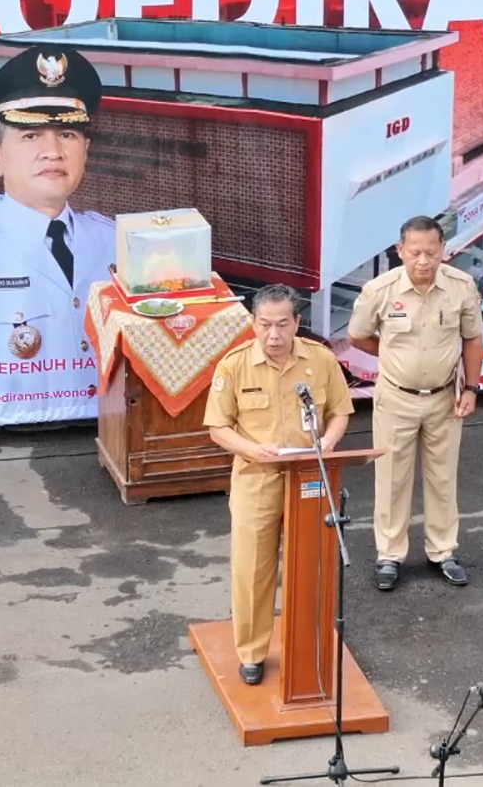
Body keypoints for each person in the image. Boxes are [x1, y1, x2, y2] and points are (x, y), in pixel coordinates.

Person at [0, 46, 115, 426]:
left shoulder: (116, 244)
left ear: (86, 150)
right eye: (31, 135)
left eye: (67, 134)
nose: (52, 151)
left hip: (113, 453)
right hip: (11, 467)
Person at [203, 284, 354, 685]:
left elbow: (340, 410)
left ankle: (307, 644)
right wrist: (253, 449)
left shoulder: (320, 361)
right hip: (258, 478)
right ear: (253, 324)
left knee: (309, 563)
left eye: (282, 324)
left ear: (297, 323)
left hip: (308, 477)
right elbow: (218, 427)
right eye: (265, 325)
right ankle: (252, 652)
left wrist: (329, 440)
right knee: (252, 568)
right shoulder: (234, 366)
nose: (274, 335)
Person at [346, 216, 483, 590]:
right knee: (391, 478)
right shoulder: (380, 290)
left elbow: (472, 338)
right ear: (400, 251)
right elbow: (358, 336)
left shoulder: (460, 287)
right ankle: (389, 555)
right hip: (396, 399)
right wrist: (392, 358)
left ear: (443, 250)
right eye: (415, 252)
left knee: (442, 477)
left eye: (431, 252)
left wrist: (471, 388)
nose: (423, 261)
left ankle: (443, 551)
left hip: (445, 398)